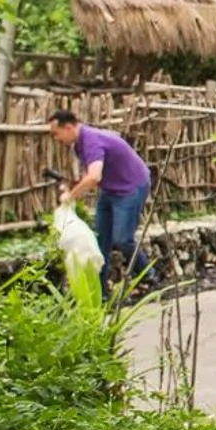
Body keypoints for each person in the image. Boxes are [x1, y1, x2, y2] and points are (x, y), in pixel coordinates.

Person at [47, 109, 152, 296]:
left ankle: (149, 275)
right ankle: (100, 292)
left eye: (56, 134)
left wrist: (71, 196)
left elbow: (94, 177)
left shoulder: (91, 140)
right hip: (111, 189)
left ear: (68, 127)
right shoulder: (79, 144)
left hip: (131, 187)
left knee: (122, 239)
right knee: (100, 241)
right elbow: (91, 173)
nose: (56, 139)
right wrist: (75, 187)